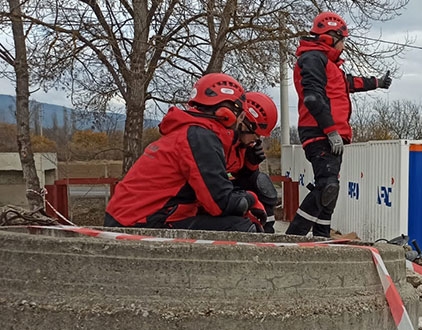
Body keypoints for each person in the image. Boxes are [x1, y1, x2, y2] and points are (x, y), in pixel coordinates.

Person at [104, 73, 259, 232]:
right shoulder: (201, 138)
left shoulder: (190, 132)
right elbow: (219, 203)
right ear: (227, 112)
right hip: (140, 223)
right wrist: (251, 199)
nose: (240, 119)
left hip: (134, 218)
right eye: (240, 113)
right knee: (240, 228)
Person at [286, 11, 393, 237]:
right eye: (343, 39)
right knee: (327, 186)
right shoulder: (314, 58)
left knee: (330, 191)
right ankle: (293, 238)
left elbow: (348, 83)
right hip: (321, 132)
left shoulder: (328, 64)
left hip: (332, 134)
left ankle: (321, 238)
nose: (344, 45)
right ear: (332, 36)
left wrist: (377, 82)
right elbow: (313, 97)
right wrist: (331, 130)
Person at [225, 91, 280, 232]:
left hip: (220, 188)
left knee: (261, 183)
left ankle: (267, 232)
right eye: (255, 135)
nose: (255, 140)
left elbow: (243, 177)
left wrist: (251, 163)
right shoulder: (220, 140)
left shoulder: (240, 144)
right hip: (210, 193)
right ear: (244, 123)